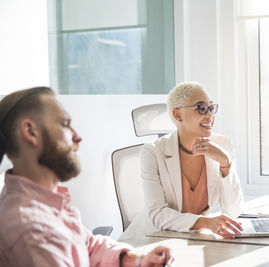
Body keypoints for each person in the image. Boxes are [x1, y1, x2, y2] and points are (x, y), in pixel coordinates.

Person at [0, 87, 172, 267]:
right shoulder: (32, 231)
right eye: (65, 124)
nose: (77, 137)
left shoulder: (45, 201)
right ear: (31, 132)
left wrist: (137, 260)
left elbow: (86, 244)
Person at [141, 81, 244, 239]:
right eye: (201, 108)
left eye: (211, 108)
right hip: (158, 238)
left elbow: (233, 212)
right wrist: (206, 222)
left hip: (198, 238)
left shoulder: (223, 145)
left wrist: (225, 164)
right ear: (178, 115)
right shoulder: (152, 152)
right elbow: (158, 215)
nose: (209, 115)